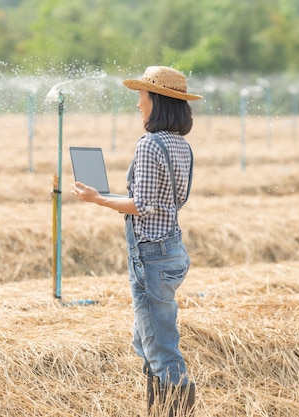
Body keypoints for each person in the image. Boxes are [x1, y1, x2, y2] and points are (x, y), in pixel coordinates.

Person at [71, 66, 201, 416]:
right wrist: (105, 195)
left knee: (160, 348)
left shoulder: (148, 145)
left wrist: (97, 199)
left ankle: (174, 410)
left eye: (142, 95)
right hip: (172, 248)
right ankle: (157, 407)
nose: (138, 103)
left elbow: (141, 206)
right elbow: (162, 201)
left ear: (156, 100)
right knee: (145, 340)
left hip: (151, 254)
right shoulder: (181, 146)